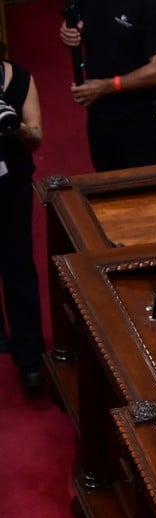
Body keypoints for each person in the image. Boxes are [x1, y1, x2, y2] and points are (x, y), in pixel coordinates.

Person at [59, 1, 156, 171]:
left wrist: (108, 86)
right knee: (106, 182)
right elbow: (77, 23)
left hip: (142, 119)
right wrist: (67, 33)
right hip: (100, 109)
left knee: (142, 188)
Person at [0, 46, 46, 396]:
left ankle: (30, 359)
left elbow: (35, 139)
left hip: (10, 185)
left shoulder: (21, 79)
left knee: (17, 265)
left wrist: (14, 127)